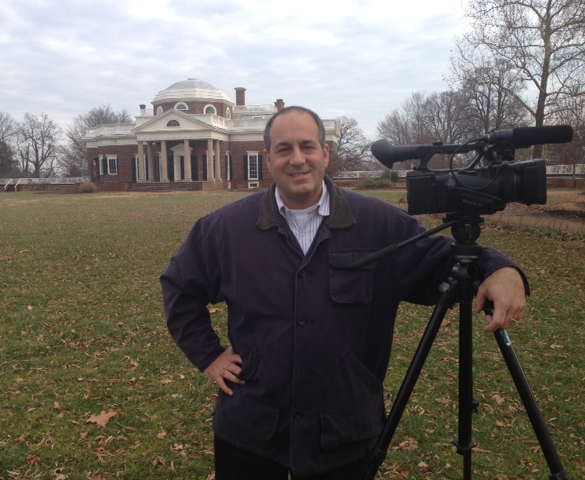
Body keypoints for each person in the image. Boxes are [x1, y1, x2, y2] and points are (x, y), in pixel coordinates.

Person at [160, 106, 527, 479]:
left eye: (307, 146)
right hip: (251, 430)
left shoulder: (380, 225)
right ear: (268, 158)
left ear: (326, 154)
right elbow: (179, 286)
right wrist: (209, 356)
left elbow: (446, 262)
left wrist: (499, 268)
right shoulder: (225, 230)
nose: (297, 159)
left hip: (343, 432)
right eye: (284, 149)